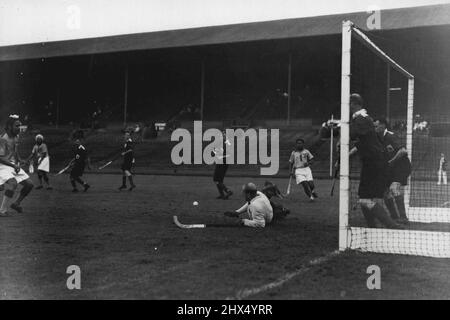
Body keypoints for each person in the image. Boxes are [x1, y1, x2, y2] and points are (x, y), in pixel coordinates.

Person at [348, 94, 402, 229]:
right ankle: (373, 226)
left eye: (349, 103)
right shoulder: (362, 119)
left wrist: (337, 127)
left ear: (354, 104)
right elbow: (361, 140)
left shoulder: (361, 119)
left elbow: (353, 134)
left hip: (373, 163)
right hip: (372, 162)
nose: (347, 107)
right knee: (364, 199)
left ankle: (391, 224)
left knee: (365, 199)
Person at [374, 118, 411, 224]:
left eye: (376, 126)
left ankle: (403, 217)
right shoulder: (376, 138)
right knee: (385, 193)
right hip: (390, 168)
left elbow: (403, 151)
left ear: (383, 126)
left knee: (394, 188)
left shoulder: (391, 136)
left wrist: (392, 161)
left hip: (401, 167)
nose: (374, 128)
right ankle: (394, 217)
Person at [0, 115, 34, 216]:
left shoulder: (16, 137)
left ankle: (16, 203)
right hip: (2, 165)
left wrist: (20, 160)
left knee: (29, 184)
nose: (19, 128)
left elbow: (14, 151)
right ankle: (2, 211)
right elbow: (0, 158)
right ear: (9, 126)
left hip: (11, 164)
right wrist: (13, 165)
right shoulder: (3, 139)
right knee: (13, 183)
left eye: (19, 126)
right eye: (16, 126)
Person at [212, 131, 233, 200]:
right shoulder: (228, 142)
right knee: (219, 180)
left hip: (221, 161)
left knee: (216, 179)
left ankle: (228, 191)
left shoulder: (220, 142)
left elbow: (215, 152)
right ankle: (222, 195)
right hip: (226, 162)